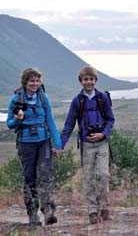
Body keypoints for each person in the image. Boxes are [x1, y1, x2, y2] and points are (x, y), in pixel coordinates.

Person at [7, 68, 61, 226]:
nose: (35, 84)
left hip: (44, 141)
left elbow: (50, 120)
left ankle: (49, 211)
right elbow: (10, 124)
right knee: (29, 179)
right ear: (25, 82)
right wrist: (18, 119)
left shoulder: (43, 98)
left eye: (37, 81)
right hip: (26, 144)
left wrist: (57, 144)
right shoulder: (15, 99)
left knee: (46, 176)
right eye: (32, 81)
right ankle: (32, 215)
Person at [60, 66, 115, 224]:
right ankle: (92, 210)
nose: (88, 82)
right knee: (88, 178)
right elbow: (69, 124)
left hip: (102, 143)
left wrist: (103, 133)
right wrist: (60, 145)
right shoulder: (78, 101)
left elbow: (110, 119)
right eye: (85, 79)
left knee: (103, 175)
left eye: (91, 79)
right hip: (86, 145)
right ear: (81, 81)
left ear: (95, 80)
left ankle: (104, 208)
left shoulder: (102, 98)